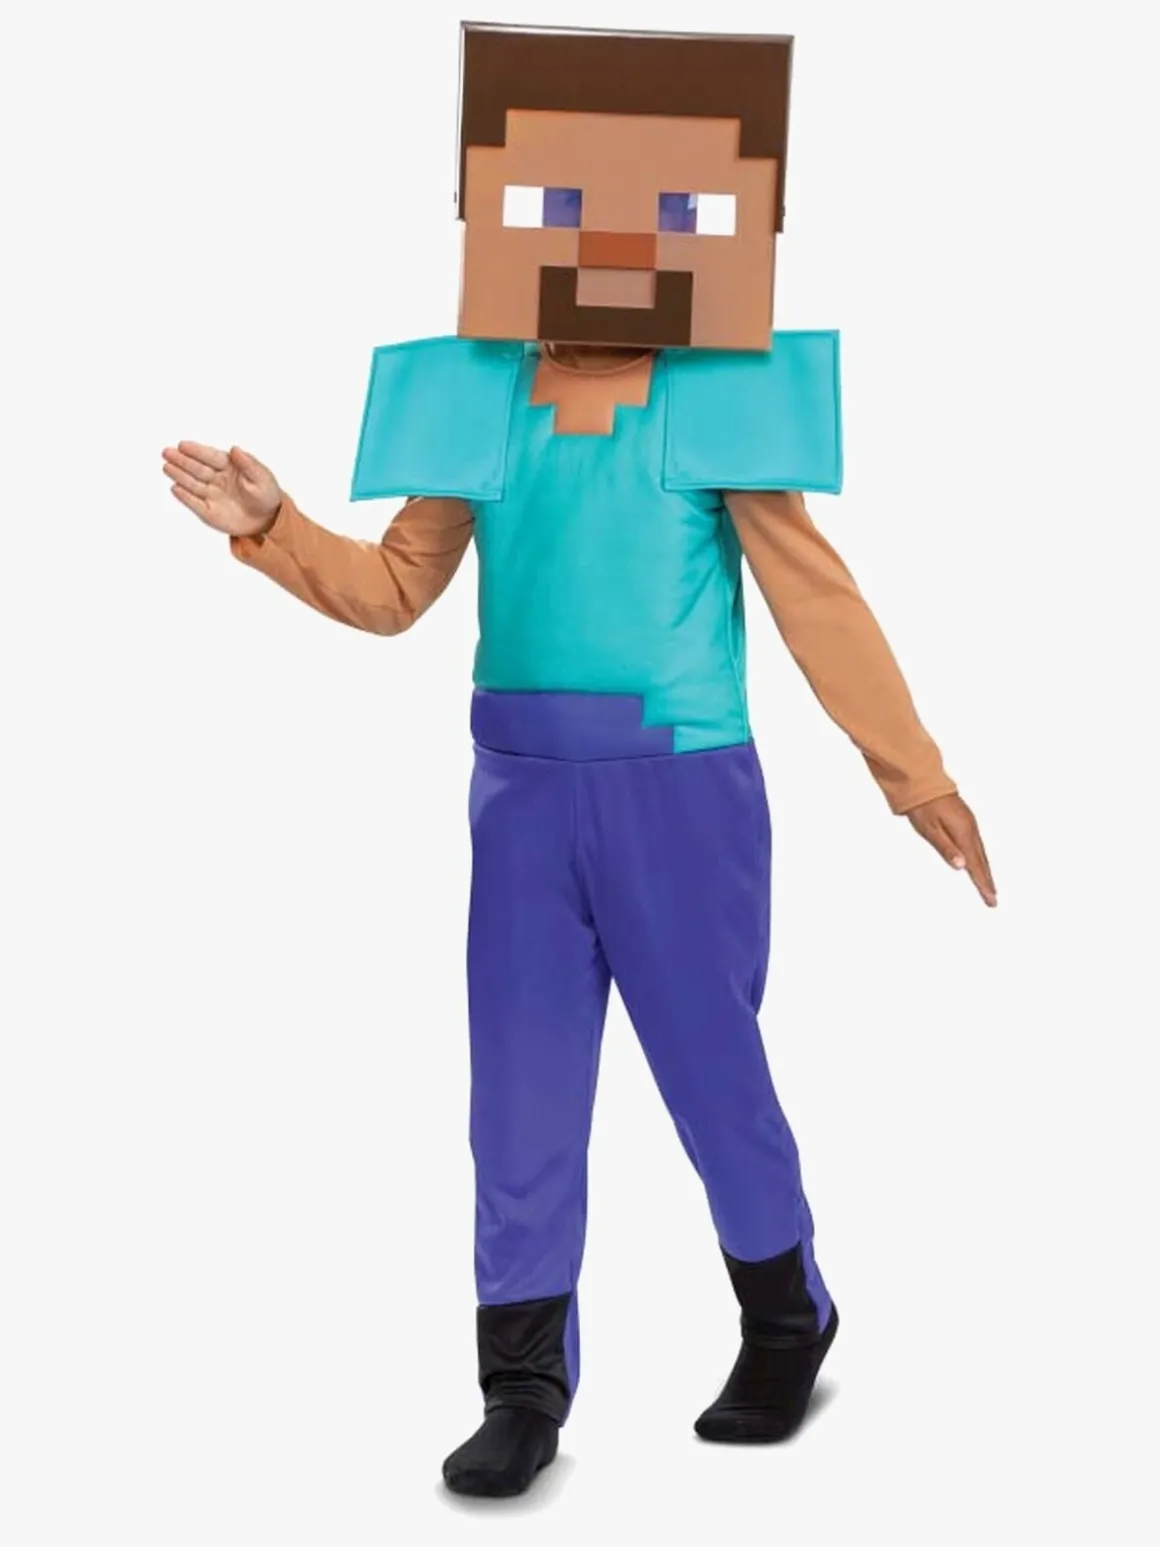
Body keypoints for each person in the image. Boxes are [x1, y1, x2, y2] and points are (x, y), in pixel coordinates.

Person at [162, 23, 995, 1500]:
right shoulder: (481, 394)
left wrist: (911, 771)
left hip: (680, 791)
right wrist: (273, 525)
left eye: (663, 212)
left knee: (711, 1068)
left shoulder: (716, 395)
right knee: (521, 1091)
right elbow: (395, 592)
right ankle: (523, 1382)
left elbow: (816, 598)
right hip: (522, 797)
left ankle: (785, 1313)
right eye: (562, 208)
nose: (609, 242)